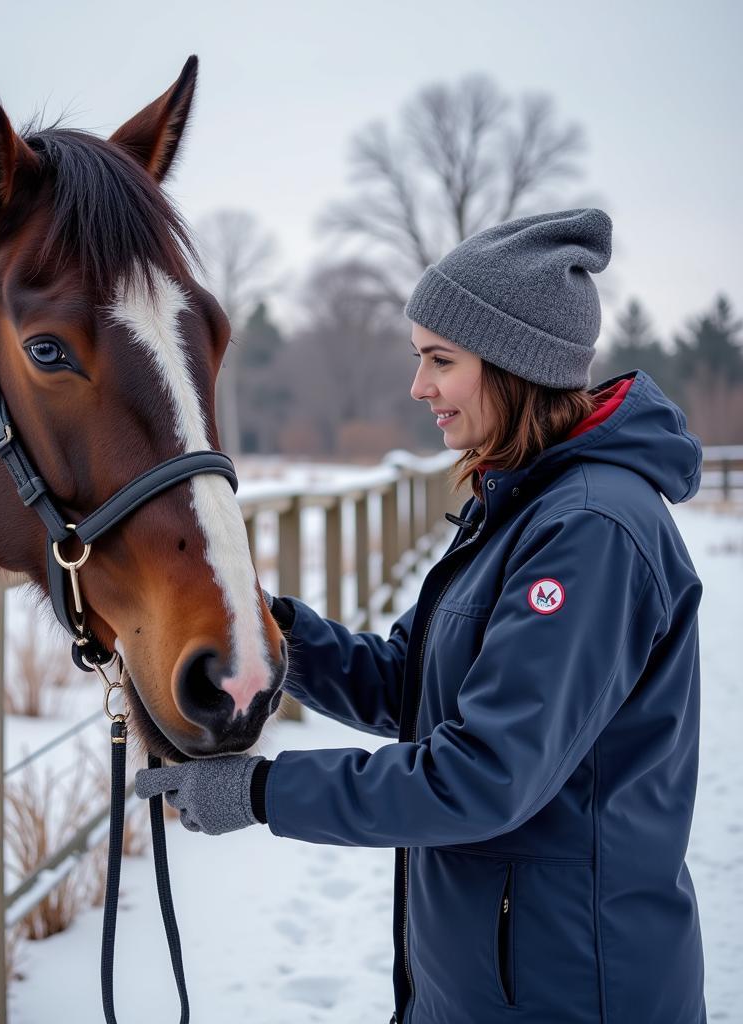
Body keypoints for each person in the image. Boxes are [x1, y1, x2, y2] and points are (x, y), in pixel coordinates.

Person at [136, 209, 706, 1024]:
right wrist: (266, 624)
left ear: (517, 366)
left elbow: (482, 775)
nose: (419, 387)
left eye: (441, 360)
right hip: (489, 977)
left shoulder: (589, 533)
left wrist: (263, 792)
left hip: (570, 989)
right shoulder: (520, 505)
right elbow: (411, 684)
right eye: (418, 359)